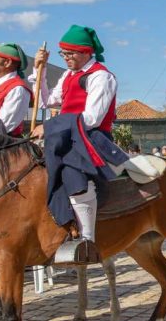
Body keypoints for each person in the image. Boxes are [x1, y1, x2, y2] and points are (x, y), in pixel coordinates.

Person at [32, 25, 124, 265]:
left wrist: (49, 126)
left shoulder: (101, 76)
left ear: (86, 52)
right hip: (65, 135)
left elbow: (92, 118)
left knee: (73, 175)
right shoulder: (67, 75)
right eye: (63, 54)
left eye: (70, 53)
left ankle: (86, 240)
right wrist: (39, 71)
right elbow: (46, 101)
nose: (66, 58)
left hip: (92, 138)